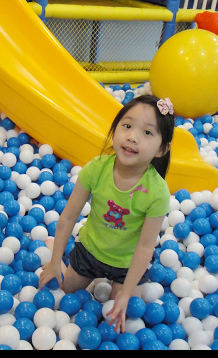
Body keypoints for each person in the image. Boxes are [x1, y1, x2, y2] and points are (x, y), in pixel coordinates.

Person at [38, 95, 175, 333]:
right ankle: (55, 251)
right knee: (62, 293)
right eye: (127, 126)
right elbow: (69, 217)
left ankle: (120, 286)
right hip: (90, 252)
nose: (132, 136)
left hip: (127, 263)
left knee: (129, 313)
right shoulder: (97, 168)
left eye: (147, 133)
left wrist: (125, 293)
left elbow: (144, 248)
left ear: (162, 149)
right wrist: (53, 263)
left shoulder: (157, 192)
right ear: (115, 130)